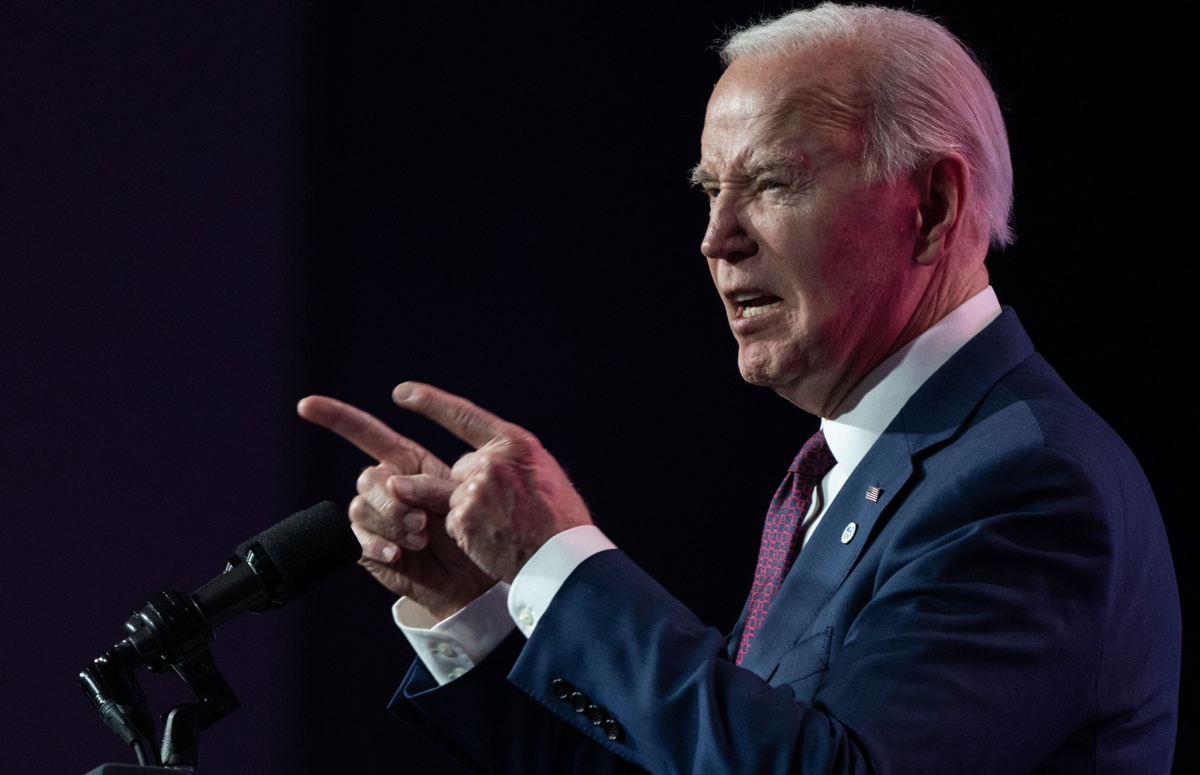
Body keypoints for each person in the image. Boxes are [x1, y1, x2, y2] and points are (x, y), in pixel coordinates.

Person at [297, 3, 1181, 773]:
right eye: (711, 191)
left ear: (934, 208)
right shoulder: (861, 466)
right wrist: (480, 606)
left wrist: (559, 563)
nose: (717, 238)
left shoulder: (1026, 481)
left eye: (771, 183)